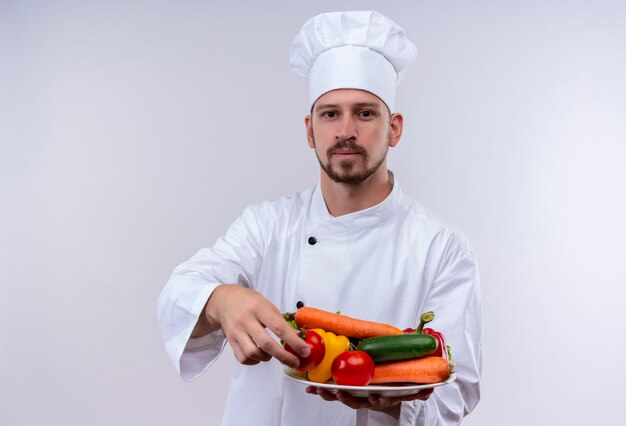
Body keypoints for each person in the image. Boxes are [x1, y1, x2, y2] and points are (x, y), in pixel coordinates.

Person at [157, 10, 482, 426]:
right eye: (330, 114)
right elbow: (178, 292)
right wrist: (220, 301)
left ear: (394, 129)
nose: (345, 130)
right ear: (310, 131)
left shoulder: (442, 246)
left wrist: (394, 398)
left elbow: (458, 388)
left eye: (365, 113)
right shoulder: (265, 226)